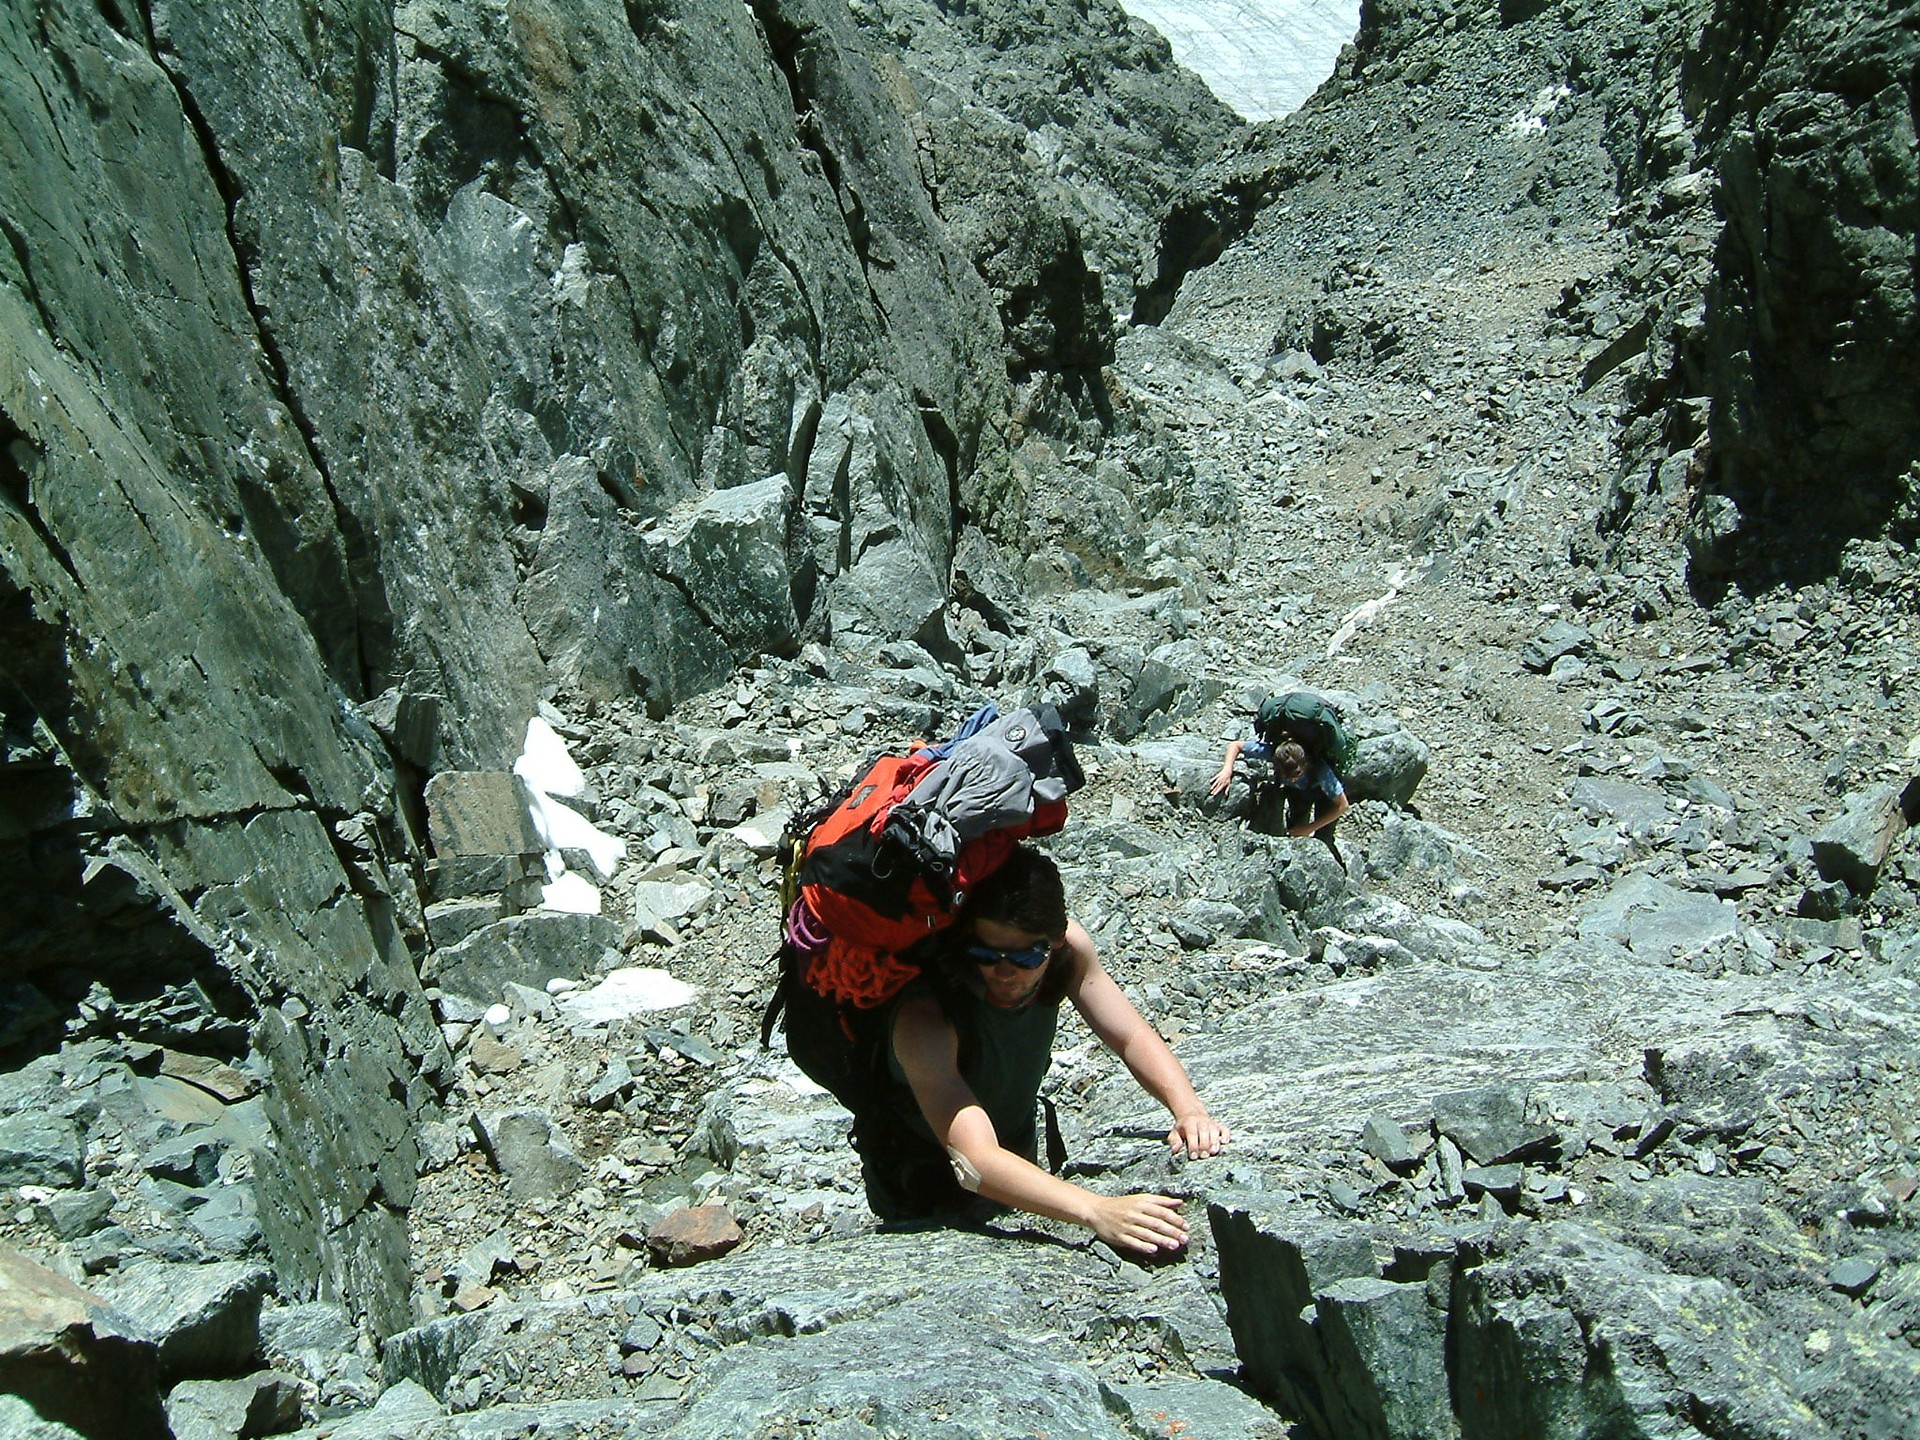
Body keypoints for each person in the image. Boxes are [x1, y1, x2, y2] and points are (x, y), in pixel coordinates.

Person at [860, 847, 1227, 1257]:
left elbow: (1130, 1036)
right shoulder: (925, 1019)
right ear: (966, 941)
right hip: (924, 1185)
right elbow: (975, 1161)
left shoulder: (1068, 953)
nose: (1004, 971)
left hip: (1015, 1154)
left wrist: (1188, 1109)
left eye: (1025, 956)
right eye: (987, 954)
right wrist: (1096, 1210)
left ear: (1054, 943)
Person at [1210, 723, 1349, 851]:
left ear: (1305, 764)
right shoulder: (1272, 752)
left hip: (1325, 798)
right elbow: (1236, 745)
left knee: (1324, 838)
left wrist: (1310, 828)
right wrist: (1227, 770)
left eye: (1297, 774)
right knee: (1295, 830)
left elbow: (1342, 806)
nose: (1292, 779)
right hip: (1298, 794)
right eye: (1286, 775)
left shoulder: (1321, 771)